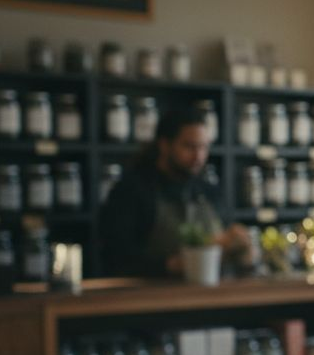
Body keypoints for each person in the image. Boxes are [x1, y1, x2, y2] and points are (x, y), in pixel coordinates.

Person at [99, 107, 246, 277]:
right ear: (164, 145)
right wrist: (173, 264)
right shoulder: (132, 191)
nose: (198, 156)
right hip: (153, 298)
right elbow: (116, 259)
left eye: (203, 147)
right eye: (189, 147)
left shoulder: (210, 192)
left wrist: (239, 248)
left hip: (212, 297)